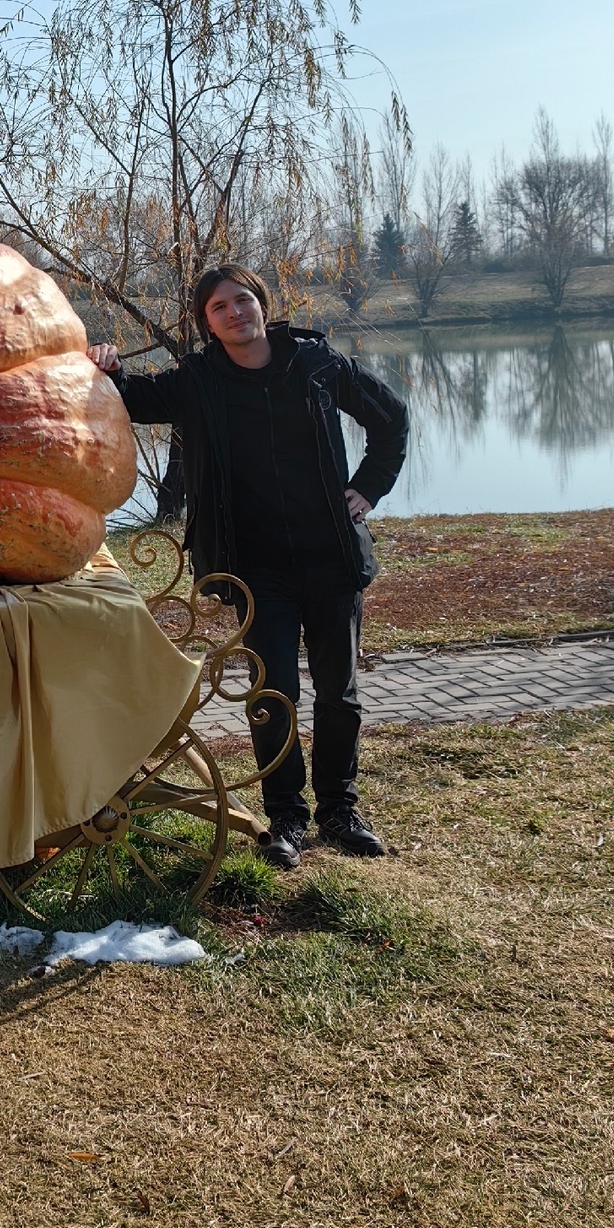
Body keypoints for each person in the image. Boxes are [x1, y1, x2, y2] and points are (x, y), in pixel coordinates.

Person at [88, 264, 408, 870]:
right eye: (218, 308)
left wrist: (367, 488)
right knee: (273, 692)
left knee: (338, 692)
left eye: (242, 300)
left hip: (331, 558)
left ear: (262, 303)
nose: (235, 313)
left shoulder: (318, 363)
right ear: (207, 323)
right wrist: (103, 366)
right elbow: (132, 398)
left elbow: (391, 420)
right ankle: (286, 816)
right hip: (256, 570)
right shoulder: (199, 380)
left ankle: (340, 810)